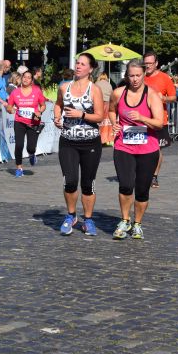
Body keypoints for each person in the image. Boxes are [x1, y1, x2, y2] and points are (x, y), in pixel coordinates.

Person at [108, 59, 163, 240]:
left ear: (144, 74)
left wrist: (141, 118)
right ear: (127, 76)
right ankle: (125, 220)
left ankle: (137, 223)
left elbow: (159, 123)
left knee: (141, 190)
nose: (135, 79)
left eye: (138, 75)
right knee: (125, 185)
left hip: (147, 149)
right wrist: (115, 123)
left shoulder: (152, 95)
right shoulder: (118, 93)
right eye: (131, 76)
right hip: (123, 146)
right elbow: (111, 110)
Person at [53, 53, 104, 236]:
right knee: (70, 181)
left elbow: (100, 116)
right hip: (68, 141)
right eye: (77, 63)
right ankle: (71, 215)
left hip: (90, 142)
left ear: (90, 69)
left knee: (88, 184)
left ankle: (88, 220)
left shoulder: (94, 89)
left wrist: (81, 114)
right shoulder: (64, 87)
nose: (78, 66)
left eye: (83, 64)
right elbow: (58, 104)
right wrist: (56, 118)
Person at [143, 52, 176, 188]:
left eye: (150, 63)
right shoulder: (140, 76)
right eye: (146, 63)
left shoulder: (164, 78)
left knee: (156, 150)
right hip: (141, 119)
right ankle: (141, 173)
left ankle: (154, 176)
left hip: (159, 120)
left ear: (156, 63)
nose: (148, 66)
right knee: (140, 148)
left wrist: (163, 98)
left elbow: (173, 97)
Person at [6, 70, 47, 177]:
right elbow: (9, 106)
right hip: (19, 121)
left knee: (31, 148)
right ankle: (19, 168)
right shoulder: (15, 92)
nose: (26, 79)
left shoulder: (37, 91)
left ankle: (32, 154)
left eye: (29, 78)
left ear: (31, 80)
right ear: (21, 78)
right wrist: (10, 110)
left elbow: (43, 105)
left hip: (33, 122)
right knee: (19, 145)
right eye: (24, 77)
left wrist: (39, 111)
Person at [95, 72, 114, 145]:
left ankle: (99, 138)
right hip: (108, 103)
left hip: (99, 103)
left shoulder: (96, 84)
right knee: (107, 122)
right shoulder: (109, 84)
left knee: (99, 122)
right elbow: (112, 94)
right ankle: (107, 139)